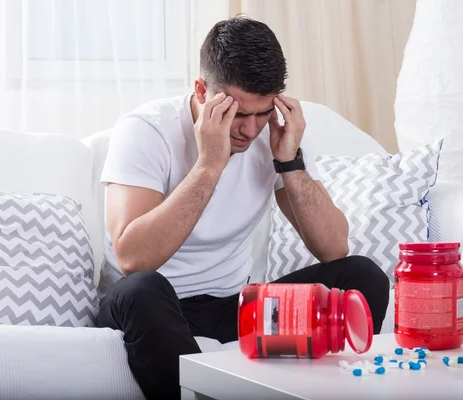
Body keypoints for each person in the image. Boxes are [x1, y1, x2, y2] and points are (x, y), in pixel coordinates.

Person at [96, 16, 389, 399]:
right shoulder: (146, 130)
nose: (250, 131)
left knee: (363, 275)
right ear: (202, 90)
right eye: (238, 114)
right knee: (144, 288)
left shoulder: (273, 136)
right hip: (147, 306)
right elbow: (134, 257)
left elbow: (334, 248)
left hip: (233, 309)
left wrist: (290, 162)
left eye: (262, 113)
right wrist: (209, 165)